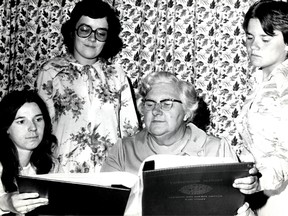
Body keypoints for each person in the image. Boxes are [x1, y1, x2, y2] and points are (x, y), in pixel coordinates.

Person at [101, 71, 258, 216]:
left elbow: (236, 207)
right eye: (150, 103)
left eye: (166, 103)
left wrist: (249, 190)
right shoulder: (122, 151)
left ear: (187, 112)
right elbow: (103, 208)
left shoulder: (216, 149)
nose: (156, 110)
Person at [36, 0, 139, 173]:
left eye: (101, 33)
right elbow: (42, 130)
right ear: (73, 32)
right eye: (85, 30)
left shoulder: (117, 75)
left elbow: (130, 131)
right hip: (63, 172)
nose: (92, 38)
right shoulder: (51, 72)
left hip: (109, 172)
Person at [236, 0, 288, 215]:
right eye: (250, 37)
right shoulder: (262, 80)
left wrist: (260, 182)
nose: (253, 46)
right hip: (262, 192)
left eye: (265, 39)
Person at [0, 90, 60, 215]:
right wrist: (6, 202)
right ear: (6, 128)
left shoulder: (51, 164)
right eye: (21, 121)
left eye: (38, 119)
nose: (33, 127)